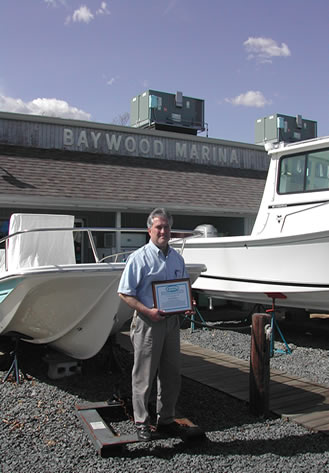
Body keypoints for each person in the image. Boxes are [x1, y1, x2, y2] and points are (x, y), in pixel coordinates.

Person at [117, 207, 190, 441]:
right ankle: (141, 422)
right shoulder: (139, 258)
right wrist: (148, 310)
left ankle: (166, 420)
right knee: (144, 374)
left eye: (166, 227)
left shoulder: (178, 258)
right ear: (149, 230)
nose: (163, 231)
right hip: (148, 322)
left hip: (171, 324)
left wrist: (187, 303)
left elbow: (183, 289)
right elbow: (124, 293)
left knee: (171, 374)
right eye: (158, 227)